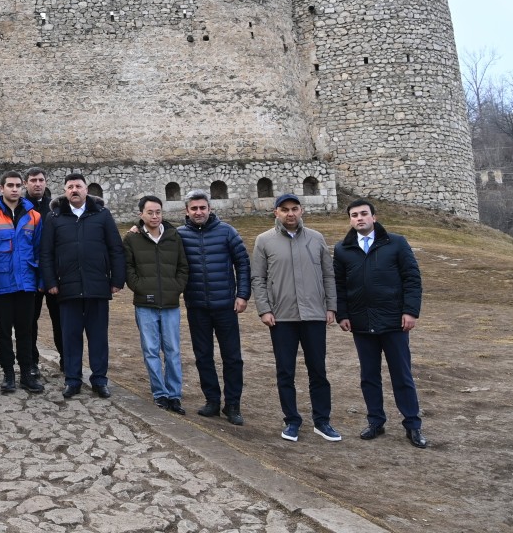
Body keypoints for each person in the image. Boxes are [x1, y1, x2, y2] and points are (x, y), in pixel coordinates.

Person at [335, 199, 427, 448]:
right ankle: (376, 421)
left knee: (402, 375)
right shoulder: (343, 249)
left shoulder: (396, 243)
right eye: (354, 215)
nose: (359, 218)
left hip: (394, 322)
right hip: (361, 323)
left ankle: (412, 424)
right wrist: (343, 314)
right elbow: (339, 285)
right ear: (350, 220)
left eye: (364, 214)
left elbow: (412, 278)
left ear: (374, 217)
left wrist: (410, 311)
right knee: (369, 376)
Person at [251, 193, 339, 443]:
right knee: (285, 371)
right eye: (285, 209)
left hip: (314, 315)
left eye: (294, 209)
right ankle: (291, 420)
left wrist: (331, 306)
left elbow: (328, 275)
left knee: (318, 370)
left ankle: (322, 421)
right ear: (276, 213)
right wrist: (264, 309)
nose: (290, 213)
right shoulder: (264, 241)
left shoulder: (316, 238)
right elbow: (258, 278)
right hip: (282, 317)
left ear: (301, 211)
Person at [39, 174, 126, 399]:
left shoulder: (102, 215)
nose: (74, 190)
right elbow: (46, 252)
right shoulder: (54, 217)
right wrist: (51, 282)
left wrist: (117, 280)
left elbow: (115, 248)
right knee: (70, 337)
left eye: (78, 186)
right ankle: (72, 380)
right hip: (67, 287)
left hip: (97, 286)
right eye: (70, 187)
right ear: (65, 191)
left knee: (98, 337)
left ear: (87, 190)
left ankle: (99, 380)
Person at [177, 189, 250, 425]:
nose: (199, 212)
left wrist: (242, 295)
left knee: (232, 357)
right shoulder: (179, 235)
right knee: (203, 356)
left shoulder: (227, 231)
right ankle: (212, 400)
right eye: (194, 208)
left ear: (210, 209)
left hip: (225, 305)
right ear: (187, 211)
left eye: (202, 208)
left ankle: (233, 404)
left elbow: (242, 263)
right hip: (197, 306)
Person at [124, 195, 189, 413]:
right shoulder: (132, 238)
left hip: (170, 303)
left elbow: (183, 266)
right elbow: (128, 268)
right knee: (151, 350)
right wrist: (140, 287)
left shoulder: (173, 236)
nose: (155, 216)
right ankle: (160, 393)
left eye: (158, 212)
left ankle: (174, 394)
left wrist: (176, 287)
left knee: (173, 351)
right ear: (141, 214)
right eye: (150, 212)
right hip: (145, 304)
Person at [0, 171, 45, 394]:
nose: (15, 189)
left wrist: (40, 280)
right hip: (1, 283)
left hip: (26, 283)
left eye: (18, 185)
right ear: (1, 188)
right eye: (10, 185)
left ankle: (26, 373)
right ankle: (8, 373)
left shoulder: (34, 216)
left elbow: (39, 251)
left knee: (26, 331)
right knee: (3, 332)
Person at [24, 167, 60, 380]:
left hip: (54, 273)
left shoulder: (55, 208)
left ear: (46, 182)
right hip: (30, 272)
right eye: (33, 180)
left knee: (60, 320)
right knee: (29, 321)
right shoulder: (21, 207)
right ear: (26, 183)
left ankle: (66, 359)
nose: (37, 184)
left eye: (40, 180)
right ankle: (31, 362)